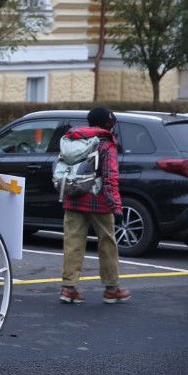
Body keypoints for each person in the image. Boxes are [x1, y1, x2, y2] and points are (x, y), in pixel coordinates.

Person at [59, 107, 131, 305]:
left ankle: (69, 288)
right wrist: (116, 207)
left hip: (73, 197)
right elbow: (110, 178)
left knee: (73, 243)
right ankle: (111, 289)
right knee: (107, 243)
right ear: (107, 123)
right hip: (99, 202)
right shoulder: (106, 144)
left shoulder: (75, 139)